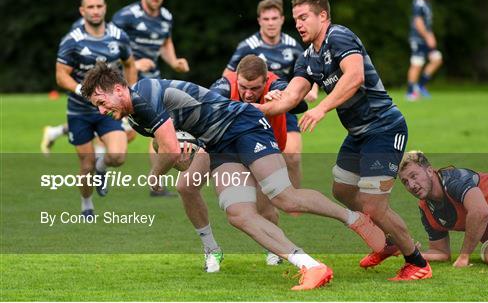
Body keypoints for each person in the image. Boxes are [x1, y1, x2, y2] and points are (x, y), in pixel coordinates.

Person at [81, 63, 387, 290]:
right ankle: (310, 265)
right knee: (238, 214)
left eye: (101, 101)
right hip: (217, 145)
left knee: (284, 197)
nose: (102, 109)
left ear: (118, 89)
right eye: (97, 106)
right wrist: (180, 158)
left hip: (244, 125)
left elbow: (169, 151)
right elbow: (177, 153)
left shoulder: (145, 94)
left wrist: (155, 173)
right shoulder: (136, 118)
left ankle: (354, 218)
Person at [258, 0, 432, 281]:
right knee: (342, 190)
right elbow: (291, 97)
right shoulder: (308, 58)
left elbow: (355, 76)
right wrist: (257, 107)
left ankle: (417, 262)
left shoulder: (339, 37)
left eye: (304, 18)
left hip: (384, 127)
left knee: (374, 205)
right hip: (358, 134)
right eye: (296, 19)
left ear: (323, 16)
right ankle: (388, 241)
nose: (298, 24)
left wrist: (322, 108)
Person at [178, 54, 308, 272]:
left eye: (255, 88)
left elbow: (300, 104)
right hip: (222, 146)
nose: (248, 94)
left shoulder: (276, 84)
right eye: (243, 87)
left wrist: (283, 98)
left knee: (265, 209)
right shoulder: (224, 85)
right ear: (236, 78)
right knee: (185, 186)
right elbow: (204, 110)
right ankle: (211, 249)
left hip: (260, 148)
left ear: (265, 80)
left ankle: (274, 249)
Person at [55, 0, 137, 217]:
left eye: (99, 6)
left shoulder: (118, 36)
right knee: (86, 164)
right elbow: (61, 74)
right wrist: (81, 90)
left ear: (105, 8)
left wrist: (130, 96)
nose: (95, 11)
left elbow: (130, 64)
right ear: (82, 11)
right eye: (90, 7)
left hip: (109, 110)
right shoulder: (72, 40)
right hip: (79, 111)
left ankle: (103, 166)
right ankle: (86, 204)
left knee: (118, 157)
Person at [224, 0, 317, 190]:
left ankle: (296, 200)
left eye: (274, 18)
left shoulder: (292, 45)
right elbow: (228, 76)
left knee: (292, 156)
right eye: (266, 19)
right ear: (259, 20)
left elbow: (308, 72)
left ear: (282, 19)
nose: (271, 23)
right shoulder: (247, 46)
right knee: (257, 156)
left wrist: (313, 89)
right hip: (254, 106)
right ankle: (265, 198)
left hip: (283, 103)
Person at [111, 0, 190, 196]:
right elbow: (108, 47)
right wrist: (134, 63)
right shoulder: (126, 16)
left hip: (152, 82)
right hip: (124, 82)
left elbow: (165, 42)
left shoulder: (165, 16)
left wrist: (175, 62)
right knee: (127, 134)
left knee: (160, 128)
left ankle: (157, 184)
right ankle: (99, 162)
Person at [398, 151, 488, 266]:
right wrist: (411, 251)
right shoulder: (426, 208)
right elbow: (440, 251)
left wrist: (464, 256)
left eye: (414, 176)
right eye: (405, 182)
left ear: (429, 171)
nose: (411, 185)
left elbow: (480, 212)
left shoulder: (453, 180)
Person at [406, 0, 443, 101]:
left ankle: (420, 85)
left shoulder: (427, 4)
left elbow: (427, 24)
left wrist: (431, 36)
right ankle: (410, 92)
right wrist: (427, 37)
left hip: (426, 38)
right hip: (418, 39)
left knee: (437, 59)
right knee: (417, 63)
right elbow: (418, 22)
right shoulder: (418, 3)